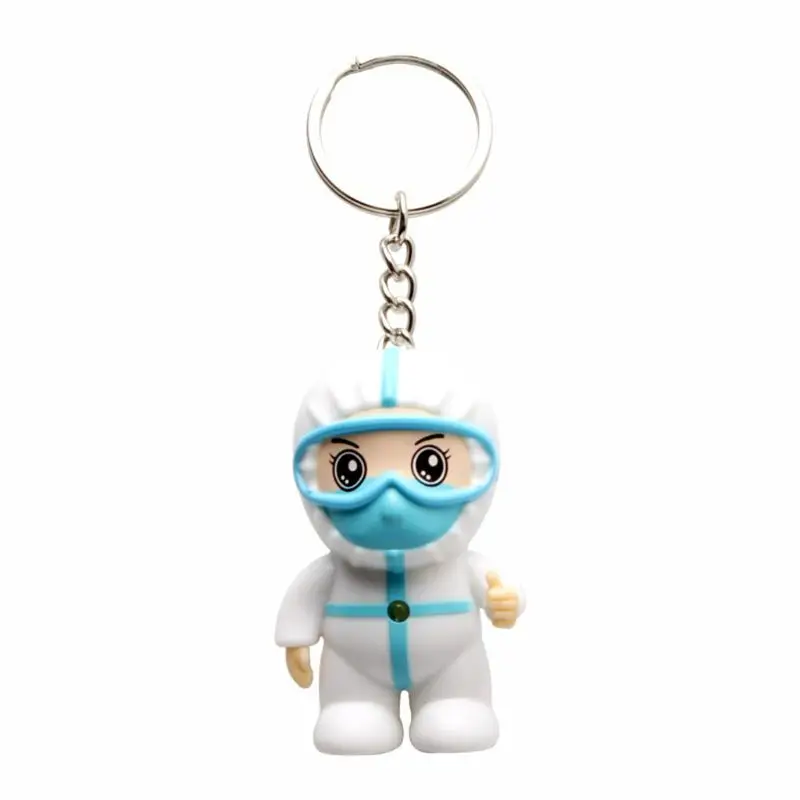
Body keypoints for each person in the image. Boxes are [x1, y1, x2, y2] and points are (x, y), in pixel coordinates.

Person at [275, 346, 525, 754]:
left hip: (452, 662)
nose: (390, 501)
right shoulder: (334, 571)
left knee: (455, 720)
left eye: (430, 467)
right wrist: (296, 638)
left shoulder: (464, 565)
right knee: (351, 725)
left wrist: (506, 601)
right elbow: (307, 596)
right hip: (353, 667)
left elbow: (499, 589)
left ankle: (458, 704)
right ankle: (353, 709)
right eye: (350, 470)